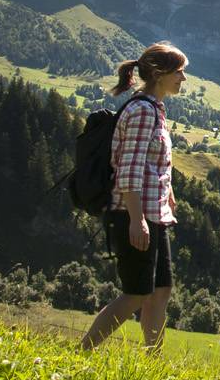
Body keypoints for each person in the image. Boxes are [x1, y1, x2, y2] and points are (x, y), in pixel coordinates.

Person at [80, 41, 188, 352]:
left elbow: (152, 162)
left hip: (153, 212)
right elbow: (129, 168)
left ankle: (153, 362)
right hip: (134, 212)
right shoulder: (142, 111)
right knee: (137, 292)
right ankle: (83, 352)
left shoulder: (154, 109)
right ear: (158, 74)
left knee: (160, 290)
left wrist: (168, 192)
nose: (183, 78)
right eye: (179, 72)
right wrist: (137, 220)